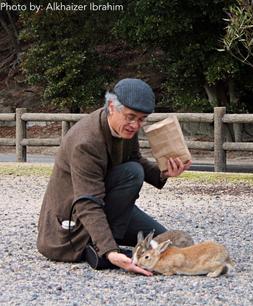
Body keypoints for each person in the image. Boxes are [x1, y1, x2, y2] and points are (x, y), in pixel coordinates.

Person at [37, 78, 191, 276]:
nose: (136, 125)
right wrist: (110, 251)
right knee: (132, 173)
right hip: (68, 229)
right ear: (111, 107)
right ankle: (100, 247)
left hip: (105, 203)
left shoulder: (124, 127)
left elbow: (135, 158)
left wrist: (163, 173)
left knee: (160, 241)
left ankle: (105, 241)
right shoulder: (85, 142)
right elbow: (87, 202)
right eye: (131, 117)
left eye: (142, 119)